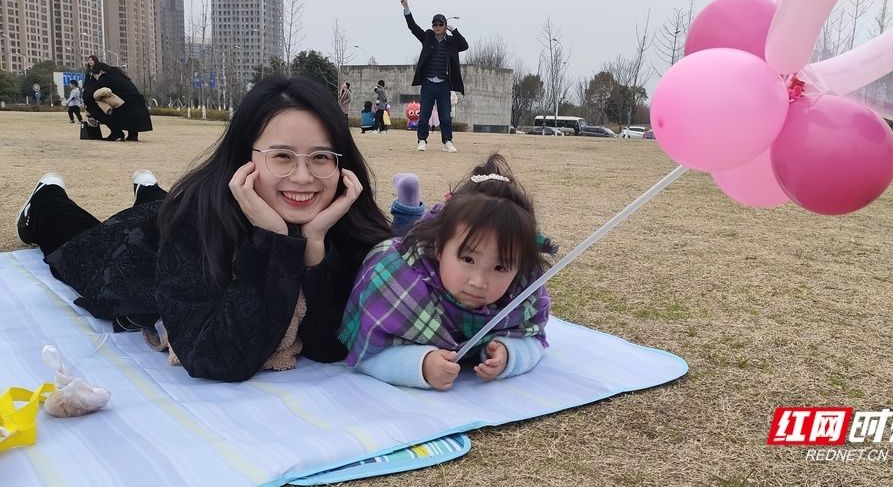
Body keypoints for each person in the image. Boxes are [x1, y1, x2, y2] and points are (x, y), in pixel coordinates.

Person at [15, 75, 393, 382]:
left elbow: (330, 345)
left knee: (157, 203)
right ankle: (46, 198)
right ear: (245, 159)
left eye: (321, 157)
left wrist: (312, 247)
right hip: (147, 254)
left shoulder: (348, 224)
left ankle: (148, 189)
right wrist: (272, 242)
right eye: (281, 156)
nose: (302, 176)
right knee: (78, 240)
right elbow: (218, 356)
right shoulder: (197, 220)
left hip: (178, 217)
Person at [339, 153, 554, 390]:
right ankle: (407, 206)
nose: (479, 281)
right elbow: (368, 352)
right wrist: (420, 365)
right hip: (413, 249)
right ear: (439, 248)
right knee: (402, 231)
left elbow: (534, 339)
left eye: (500, 267)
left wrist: (509, 353)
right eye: (468, 259)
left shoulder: (524, 290)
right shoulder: (399, 278)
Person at [400, 0, 468, 153]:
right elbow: (413, 27)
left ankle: (447, 142)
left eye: (440, 24)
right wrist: (406, 8)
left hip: (444, 84)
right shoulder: (427, 38)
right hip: (428, 83)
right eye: (435, 24)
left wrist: (455, 30)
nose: (437, 27)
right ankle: (422, 140)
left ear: (445, 26)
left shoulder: (452, 42)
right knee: (424, 114)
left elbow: (464, 46)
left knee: (445, 115)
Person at [85, 55, 153, 142]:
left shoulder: (105, 78)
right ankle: (132, 134)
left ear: (100, 72)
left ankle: (116, 132)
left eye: (95, 75)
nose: (95, 78)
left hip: (130, 111)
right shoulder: (117, 75)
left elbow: (87, 95)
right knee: (125, 102)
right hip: (140, 111)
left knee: (93, 108)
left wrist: (89, 107)